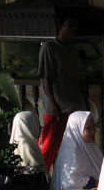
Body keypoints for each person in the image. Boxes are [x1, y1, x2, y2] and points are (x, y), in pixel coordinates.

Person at [37, 15, 86, 171]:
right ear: (61, 27)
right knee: (49, 144)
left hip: (73, 103)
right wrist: (52, 103)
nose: (73, 30)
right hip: (56, 106)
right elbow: (46, 78)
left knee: (71, 144)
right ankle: (41, 176)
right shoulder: (49, 47)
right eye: (69, 26)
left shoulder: (72, 49)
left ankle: (63, 175)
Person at [51, 111, 103, 190]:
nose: (93, 131)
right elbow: (69, 182)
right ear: (77, 130)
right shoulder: (71, 152)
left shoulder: (91, 147)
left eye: (93, 127)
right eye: (88, 128)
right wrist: (95, 183)